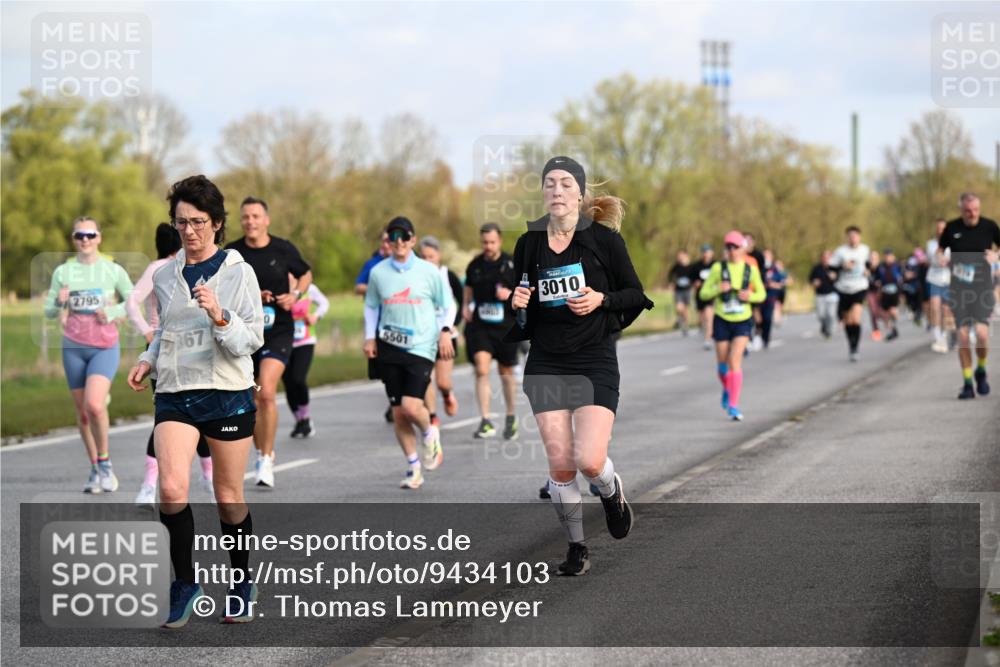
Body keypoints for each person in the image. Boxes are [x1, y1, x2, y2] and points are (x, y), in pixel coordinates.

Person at [126, 174, 264, 627]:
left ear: (218, 224)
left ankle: (241, 580)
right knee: (170, 488)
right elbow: (166, 329)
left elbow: (251, 339)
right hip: (174, 391)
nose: (189, 230)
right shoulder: (166, 275)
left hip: (227, 393)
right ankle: (185, 583)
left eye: (199, 221)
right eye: (181, 222)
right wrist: (149, 358)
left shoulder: (237, 271)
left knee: (228, 496)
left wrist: (220, 315)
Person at [508, 156, 653, 576]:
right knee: (561, 464)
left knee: (590, 460)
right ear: (543, 192)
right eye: (550, 183)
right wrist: (515, 302)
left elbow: (634, 293)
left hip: (593, 358)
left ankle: (610, 492)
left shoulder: (604, 241)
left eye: (565, 183)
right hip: (547, 360)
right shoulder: (528, 243)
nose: (557, 190)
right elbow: (521, 304)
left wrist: (600, 300)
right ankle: (576, 548)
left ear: (580, 193)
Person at [225, 197, 312, 488]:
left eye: (256, 216)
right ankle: (261, 451)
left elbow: (305, 274)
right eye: (246, 216)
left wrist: (295, 295)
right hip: (245, 332)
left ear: (266, 220)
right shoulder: (232, 252)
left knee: (267, 391)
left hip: (278, 329)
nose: (250, 221)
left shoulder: (283, 248)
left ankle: (266, 458)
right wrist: (250, 297)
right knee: (249, 398)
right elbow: (222, 288)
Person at [44, 216, 134, 494]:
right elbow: (48, 311)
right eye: (80, 235)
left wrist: (114, 312)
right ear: (74, 239)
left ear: (99, 238)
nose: (85, 240)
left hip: (104, 346)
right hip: (73, 346)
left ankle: (105, 465)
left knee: (95, 405)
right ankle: (95, 468)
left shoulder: (112, 270)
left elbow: (132, 302)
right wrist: (59, 301)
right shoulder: (63, 272)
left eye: (90, 235)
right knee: (83, 414)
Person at [127, 223, 213, 506]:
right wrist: (149, 331)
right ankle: (153, 484)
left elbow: (131, 303)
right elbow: (132, 301)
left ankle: (207, 479)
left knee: (191, 413)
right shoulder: (160, 268)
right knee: (170, 414)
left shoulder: (187, 265)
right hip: (162, 348)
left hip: (189, 346)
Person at [364, 217, 452, 489]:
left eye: (404, 236)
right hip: (389, 345)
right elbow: (371, 307)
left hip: (421, 346)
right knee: (399, 411)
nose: (399, 242)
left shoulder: (429, 272)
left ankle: (429, 433)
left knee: (412, 405)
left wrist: (446, 330)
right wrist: (369, 337)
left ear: (413, 240)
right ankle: (414, 467)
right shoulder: (378, 272)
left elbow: (447, 304)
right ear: (388, 241)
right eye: (394, 237)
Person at [937, 193, 1000, 399]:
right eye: (967, 210)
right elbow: (940, 249)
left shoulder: (989, 226)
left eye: (975, 210)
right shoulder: (952, 228)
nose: (972, 214)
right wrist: (941, 259)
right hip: (959, 290)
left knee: (982, 335)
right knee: (963, 337)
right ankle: (967, 384)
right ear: (961, 209)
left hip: (982, 288)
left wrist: (996, 256)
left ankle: (980, 371)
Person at [698, 231, 766, 421]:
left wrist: (749, 296)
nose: (732, 250)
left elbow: (762, 294)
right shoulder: (718, 269)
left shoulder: (750, 269)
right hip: (722, 319)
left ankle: (733, 406)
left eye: (735, 247)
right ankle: (728, 389)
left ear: (743, 248)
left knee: (734, 361)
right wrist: (717, 289)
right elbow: (703, 294)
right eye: (728, 247)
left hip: (743, 320)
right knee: (722, 365)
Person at [463, 223, 520, 439]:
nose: (488, 246)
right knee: (481, 369)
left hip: (506, 326)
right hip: (481, 327)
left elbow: (526, 290)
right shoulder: (475, 265)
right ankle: (485, 420)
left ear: (500, 241)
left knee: (505, 373)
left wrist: (510, 293)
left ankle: (511, 416)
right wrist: (465, 307)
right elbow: (468, 287)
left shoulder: (511, 264)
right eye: (485, 242)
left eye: (492, 242)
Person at [417, 235, 461, 428]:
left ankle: (447, 393)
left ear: (438, 256)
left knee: (442, 382)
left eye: (431, 256)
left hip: (446, 336)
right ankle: (433, 416)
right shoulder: (415, 277)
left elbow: (461, 302)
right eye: (423, 257)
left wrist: (454, 324)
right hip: (422, 338)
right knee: (425, 378)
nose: (427, 261)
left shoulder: (447, 275)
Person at [356, 232, 395, 423]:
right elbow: (358, 287)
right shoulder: (373, 264)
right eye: (385, 241)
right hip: (378, 324)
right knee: (384, 369)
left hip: (400, 323)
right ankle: (395, 399)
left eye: (391, 241)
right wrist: (377, 287)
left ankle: (398, 401)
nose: (387, 244)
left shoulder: (404, 263)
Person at [284, 281, 330, 438]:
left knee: (298, 378)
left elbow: (324, 303)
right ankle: (300, 421)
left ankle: (305, 416)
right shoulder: (278, 286)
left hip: (305, 341)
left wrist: (316, 315)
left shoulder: (309, 288)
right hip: (282, 343)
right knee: (288, 383)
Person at [829, 226, 872, 362]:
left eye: (855, 236)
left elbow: (870, 265)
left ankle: (856, 348)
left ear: (859, 237)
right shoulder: (840, 251)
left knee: (856, 317)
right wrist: (842, 267)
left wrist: (868, 271)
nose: (853, 238)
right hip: (843, 288)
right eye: (850, 236)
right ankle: (851, 345)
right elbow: (831, 268)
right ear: (847, 237)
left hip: (859, 287)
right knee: (848, 320)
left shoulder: (865, 250)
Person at [926, 218, 953, 353]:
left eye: (943, 228)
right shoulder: (931, 244)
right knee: (935, 306)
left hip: (948, 280)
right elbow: (930, 259)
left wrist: (948, 260)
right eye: (938, 228)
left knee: (946, 309)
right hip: (934, 278)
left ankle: (945, 335)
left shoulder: (953, 243)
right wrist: (938, 255)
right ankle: (937, 337)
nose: (940, 231)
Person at [873, 249, 902, 341]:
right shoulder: (881, 267)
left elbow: (901, 278)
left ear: (893, 257)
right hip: (885, 291)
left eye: (889, 256)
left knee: (892, 311)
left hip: (895, 291)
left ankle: (894, 325)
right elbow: (876, 278)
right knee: (886, 313)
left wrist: (901, 293)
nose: (888, 258)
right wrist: (877, 282)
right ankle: (892, 330)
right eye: (886, 256)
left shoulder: (897, 266)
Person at [691, 244, 716, 350]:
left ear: (712, 253)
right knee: (702, 319)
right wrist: (695, 283)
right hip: (700, 295)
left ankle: (708, 339)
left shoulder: (716, 265)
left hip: (711, 295)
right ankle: (706, 331)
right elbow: (691, 279)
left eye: (708, 252)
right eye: (704, 252)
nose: (706, 254)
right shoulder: (697, 266)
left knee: (708, 315)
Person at [760, 249, 786, 349]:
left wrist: (773, 285)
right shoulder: (758, 268)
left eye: (768, 256)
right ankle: (757, 334)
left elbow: (782, 283)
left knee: (767, 318)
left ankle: (765, 338)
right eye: (764, 256)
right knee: (758, 319)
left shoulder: (775, 269)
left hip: (770, 297)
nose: (766, 258)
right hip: (758, 298)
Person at [809, 250, 839, 339]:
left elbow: (841, 279)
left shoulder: (834, 268)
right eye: (824, 257)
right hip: (820, 294)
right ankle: (824, 325)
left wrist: (835, 277)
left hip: (832, 294)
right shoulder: (817, 268)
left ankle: (828, 331)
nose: (826, 259)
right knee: (821, 315)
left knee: (831, 314)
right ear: (821, 258)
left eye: (828, 258)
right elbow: (811, 279)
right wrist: (814, 282)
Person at [667, 249, 694, 336]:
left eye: (681, 256)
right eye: (678, 256)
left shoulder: (691, 267)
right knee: (678, 307)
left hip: (687, 290)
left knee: (685, 309)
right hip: (678, 290)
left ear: (686, 256)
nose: (679, 258)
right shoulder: (676, 266)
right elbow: (670, 274)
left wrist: (693, 283)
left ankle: (685, 326)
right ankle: (679, 319)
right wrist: (671, 283)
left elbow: (695, 276)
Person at [866, 249, 883, 341]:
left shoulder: (881, 268)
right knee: (873, 311)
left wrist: (881, 282)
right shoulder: (866, 268)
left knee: (880, 311)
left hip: (881, 291)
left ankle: (889, 325)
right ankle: (876, 330)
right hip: (870, 291)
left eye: (875, 258)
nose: (873, 260)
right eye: (871, 258)